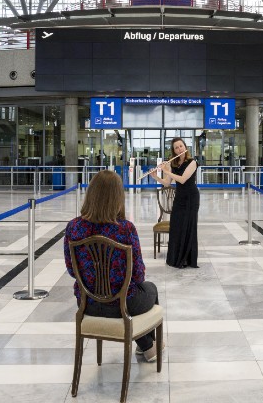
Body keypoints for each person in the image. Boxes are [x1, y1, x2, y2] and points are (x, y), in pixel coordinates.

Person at [63, 170, 161, 362]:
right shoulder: (125, 229)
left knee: (133, 294)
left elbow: (71, 270)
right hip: (121, 304)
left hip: (87, 303)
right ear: (118, 196)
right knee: (151, 289)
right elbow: (138, 275)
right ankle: (149, 347)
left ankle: (148, 346)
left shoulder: (74, 227)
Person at [150, 137, 200, 269]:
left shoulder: (192, 162)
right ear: (173, 150)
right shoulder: (173, 163)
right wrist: (156, 177)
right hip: (179, 198)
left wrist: (166, 170)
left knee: (188, 226)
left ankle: (187, 260)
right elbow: (167, 183)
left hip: (191, 198)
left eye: (181, 146)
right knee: (177, 226)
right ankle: (175, 259)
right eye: (176, 147)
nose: (179, 149)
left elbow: (183, 180)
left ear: (185, 147)